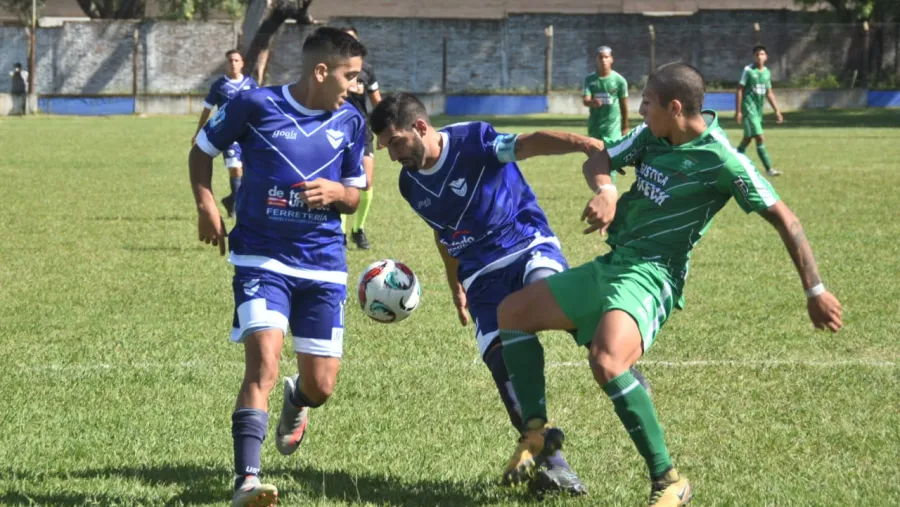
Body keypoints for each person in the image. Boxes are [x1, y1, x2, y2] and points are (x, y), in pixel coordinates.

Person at [495, 62, 842, 506]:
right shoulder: (651, 136)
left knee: (607, 362)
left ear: (674, 107)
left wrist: (815, 291)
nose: (639, 111)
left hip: (655, 275)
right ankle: (537, 435)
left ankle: (669, 481)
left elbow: (786, 219)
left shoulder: (722, 160)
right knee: (513, 314)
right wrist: (607, 189)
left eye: (646, 103)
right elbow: (601, 155)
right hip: (615, 263)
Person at [368, 92, 651, 497]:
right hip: (481, 275)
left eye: (395, 142)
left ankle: (615, 357)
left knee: (548, 295)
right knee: (501, 364)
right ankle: (551, 464)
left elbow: (528, 143)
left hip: (526, 244)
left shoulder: (473, 140)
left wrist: (584, 144)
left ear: (420, 128)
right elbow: (443, 233)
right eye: (385, 147)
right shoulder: (409, 184)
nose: (393, 155)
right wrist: (456, 285)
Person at [188, 27, 368, 507]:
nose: (355, 87)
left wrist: (339, 195)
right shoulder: (256, 105)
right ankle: (246, 482)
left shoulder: (351, 122)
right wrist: (207, 204)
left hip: (323, 264)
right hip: (261, 257)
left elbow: (357, 194)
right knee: (263, 362)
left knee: (322, 386)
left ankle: (298, 401)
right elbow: (200, 149)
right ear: (321, 71)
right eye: (350, 77)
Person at [192, 50, 259, 218]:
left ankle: (231, 199)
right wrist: (198, 132)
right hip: (228, 134)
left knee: (246, 170)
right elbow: (207, 109)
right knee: (235, 169)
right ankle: (237, 206)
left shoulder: (251, 84)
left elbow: (259, 107)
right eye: (230, 60)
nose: (233, 63)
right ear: (226, 63)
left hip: (248, 134)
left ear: (242, 63)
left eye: (236, 60)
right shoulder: (219, 85)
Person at [340, 26, 382, 249]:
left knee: (366, 182)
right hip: (338, 129)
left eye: (352, 40)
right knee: (341, 181)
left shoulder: (367, 70)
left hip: (362, 130)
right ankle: (341, 234)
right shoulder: (333, 68)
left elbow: (377, 103)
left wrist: (385, 130)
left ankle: (358, 229)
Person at [735, 45, 783, 177]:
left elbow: (769, 93)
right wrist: (738, 111)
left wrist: (777, 111)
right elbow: (739, 89)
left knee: (747, 139)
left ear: (766, 57)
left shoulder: (767, 72)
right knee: (760, 137)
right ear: (753, 57)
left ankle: (733, 159)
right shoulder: (748, 70)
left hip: (758, 110)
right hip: (748, 108)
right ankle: (769, 169)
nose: (759, 57)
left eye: (762, 54)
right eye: (757, 54)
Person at [583, 46, 629, 154]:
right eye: (600, 57)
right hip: (595, 125)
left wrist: (625, 126)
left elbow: (624, 105)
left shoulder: (619, 80)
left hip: (612, 127)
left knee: (610, 156)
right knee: (594, 156)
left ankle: (609, 172)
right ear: (596, 60)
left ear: (611, 59)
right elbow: (586, 100)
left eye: (606, 57)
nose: (603, 60)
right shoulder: (590, 79)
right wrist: (591, 102)